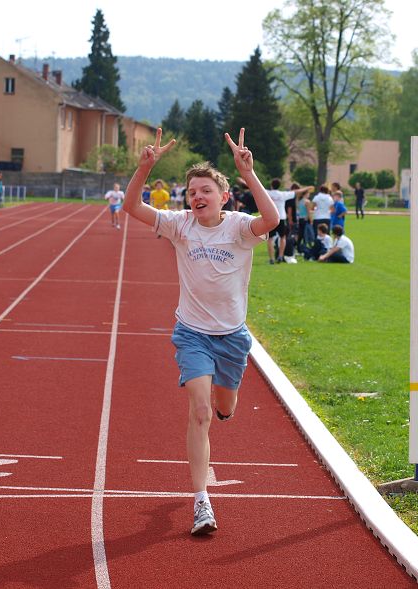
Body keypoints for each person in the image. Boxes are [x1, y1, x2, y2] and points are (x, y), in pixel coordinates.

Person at [122, 127, 278, 536]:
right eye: (192, 191)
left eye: (206, 190)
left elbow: (272, 220)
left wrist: (248, 173)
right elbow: (131, 207)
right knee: (200, 411)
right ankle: (201, 501)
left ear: (224, 196)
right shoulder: (179, 225)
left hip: (232, 337)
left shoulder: (239, 227)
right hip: (192, 333)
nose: (197, 197)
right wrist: (145, 167)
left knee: (224, 406)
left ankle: (227, 404)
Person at [267, 179, 313, 264]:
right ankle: (280, 256)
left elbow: (255, 187)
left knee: (270, 239)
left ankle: (271, 259)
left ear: (271, 185)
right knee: (282, 237)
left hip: (271, 218)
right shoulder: (283, 194)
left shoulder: (268, 193)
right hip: (281, 218)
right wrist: (307, 188)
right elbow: (297, 191)